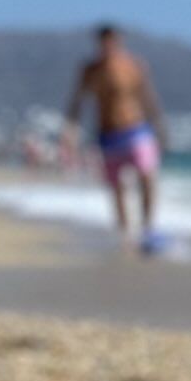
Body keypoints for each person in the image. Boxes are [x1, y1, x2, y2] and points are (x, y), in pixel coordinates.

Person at [66, 22, 167, 248]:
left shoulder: (133, 65)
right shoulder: (90, 70)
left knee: (147, 176)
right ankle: (125, 234)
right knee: (117, 186)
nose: (109, 45)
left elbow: (148, 97)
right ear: (98, 43)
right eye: (104, 41)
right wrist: (70, 130)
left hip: (136, 129)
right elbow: (77, 102)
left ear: (120, 41)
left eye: (113, 40)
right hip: (108, 134)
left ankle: (148, 228)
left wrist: (160, 126)